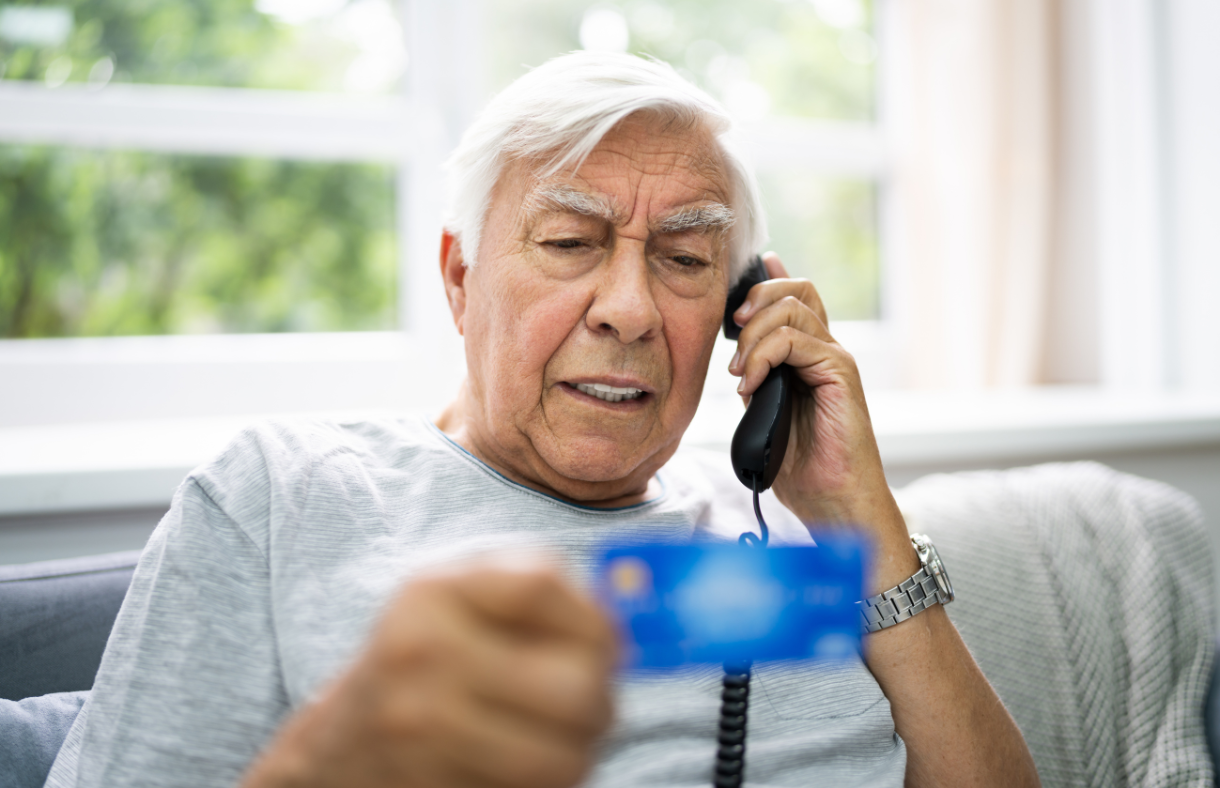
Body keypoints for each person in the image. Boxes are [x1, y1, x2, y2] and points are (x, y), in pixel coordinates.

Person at [46, 52, 1039, 788]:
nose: (630, 307)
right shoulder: (282, 493)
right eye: (569, 240)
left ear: (742, 302)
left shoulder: (786, 536)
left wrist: (858, 518)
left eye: (685, 260)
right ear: (460, 276)